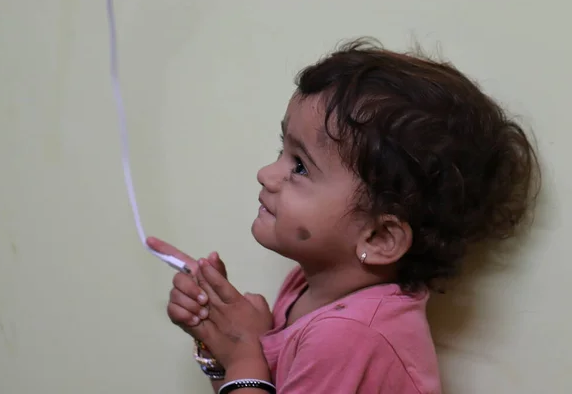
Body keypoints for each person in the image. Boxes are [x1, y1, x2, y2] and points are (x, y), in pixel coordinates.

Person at [147, 38, 540, 394]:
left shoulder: (349, 336)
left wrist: (242, 355)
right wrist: (219, 342)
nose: (266, 174)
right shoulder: (309, 286)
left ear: (379, 238)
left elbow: (251, 375)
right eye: (281, 150)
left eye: (300, 166)